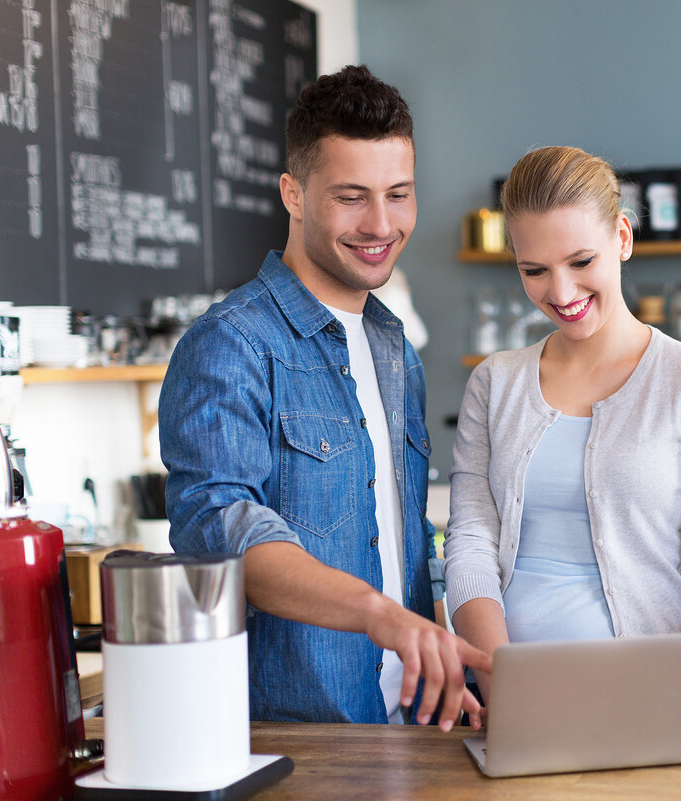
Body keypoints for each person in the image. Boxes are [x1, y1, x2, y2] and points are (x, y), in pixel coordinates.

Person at [159, 65, 488, 729]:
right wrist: (376, 612)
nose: (381, 223)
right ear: (294, 193)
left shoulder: (393, 346)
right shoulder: (232, 344)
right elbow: (221, 531)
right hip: (303, 744)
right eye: (351, 196)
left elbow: (400, 536)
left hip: (418, 727)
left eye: (399, 194)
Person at [444, 146, 681, 698]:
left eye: (581, 261)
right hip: (508, 693)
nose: (560, 293)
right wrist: (504, 687)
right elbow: (469, 548)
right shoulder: (495, 384)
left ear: (622, 237)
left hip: (651, 691)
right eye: (534, 271)